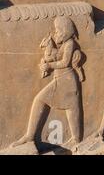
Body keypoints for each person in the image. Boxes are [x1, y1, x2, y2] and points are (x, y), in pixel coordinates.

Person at [12, 16, 83, 150]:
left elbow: (65, 62)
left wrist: (49, 66)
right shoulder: (65, 44)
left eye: (57, 31)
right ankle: (31, 135)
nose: (56, 33)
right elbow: (58, 56)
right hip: (62, 80)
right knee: (70, 108)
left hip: (66, 81)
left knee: (69, 108)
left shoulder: (70, 44)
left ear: (65, 31)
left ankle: (75, 139)